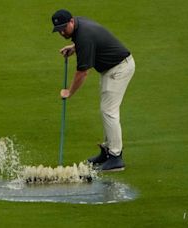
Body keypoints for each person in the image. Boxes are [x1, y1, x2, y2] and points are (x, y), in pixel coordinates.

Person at [51, 9, 135, 171]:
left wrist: (69, 92)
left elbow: (82, 72)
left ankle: (116, 157)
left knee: (108, 111)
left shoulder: (84, 36)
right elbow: (91, 41)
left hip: (119, 69)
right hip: (112, 68)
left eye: (64, 28)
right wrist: (75, 48)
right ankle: (107, 151)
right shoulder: (80, 25)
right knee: (106, 110)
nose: (62, 32)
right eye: (58, 30)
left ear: (71, 22)